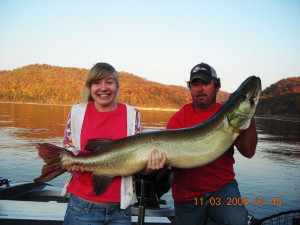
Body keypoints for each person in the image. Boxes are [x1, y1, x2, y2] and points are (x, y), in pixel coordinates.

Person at [62, 62, 165, 225]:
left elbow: (137, 157)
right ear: (90, 87)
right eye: (97, 83)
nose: (103, 88)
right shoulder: (77, 111)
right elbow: (69, 144)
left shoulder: (133, 115)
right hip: (82, 207)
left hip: (121, 210)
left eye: (109, 82)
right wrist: (71, 155)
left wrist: (148, 169)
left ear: (116, 86)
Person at [166, 62, 258, 225]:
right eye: (195, 84)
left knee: (237, 220)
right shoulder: (178, 120)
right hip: (188, 195)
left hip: (222, 189)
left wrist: (249, 114)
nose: (200, 88)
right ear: (190, 88)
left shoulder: (231, 115)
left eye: (205, 83)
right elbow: (167, 165)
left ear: (216, 86)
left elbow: (249, 152)